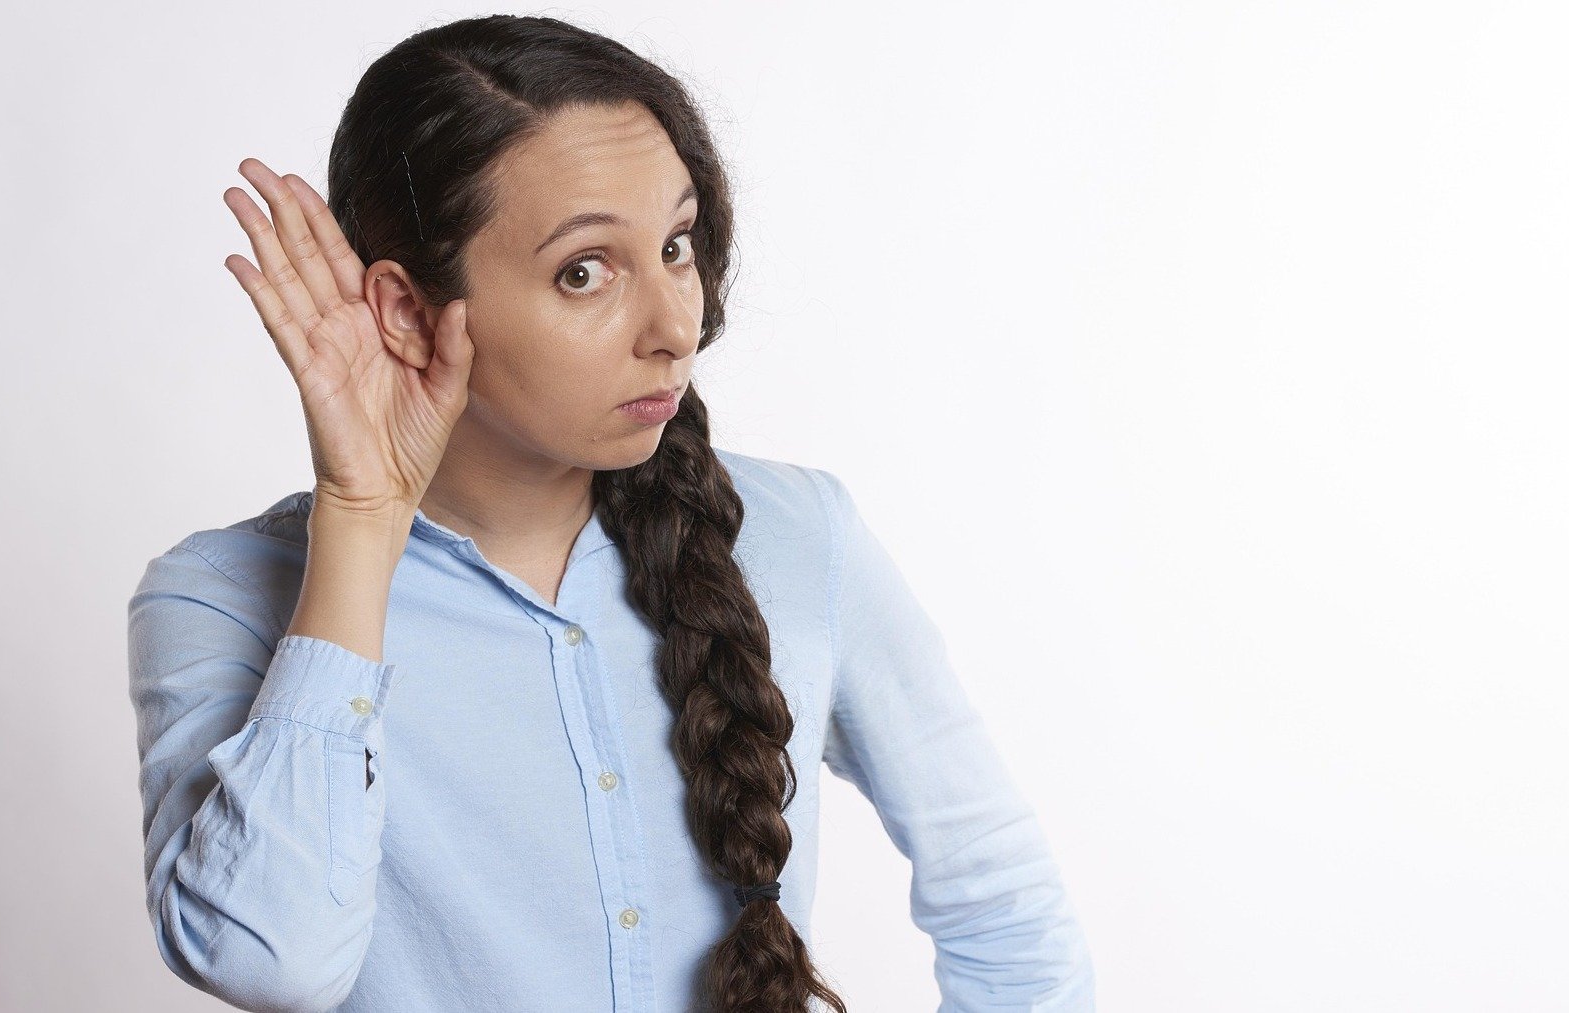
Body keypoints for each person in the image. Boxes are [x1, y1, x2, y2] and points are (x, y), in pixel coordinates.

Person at [127, 14, 1095, 1013]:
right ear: (411, 310)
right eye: (583, 270)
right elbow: (267, 960)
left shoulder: (804, 535)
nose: (678, 327)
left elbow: (1008, 912)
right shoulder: (216, 598)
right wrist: (363, 515)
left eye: (676, 244)